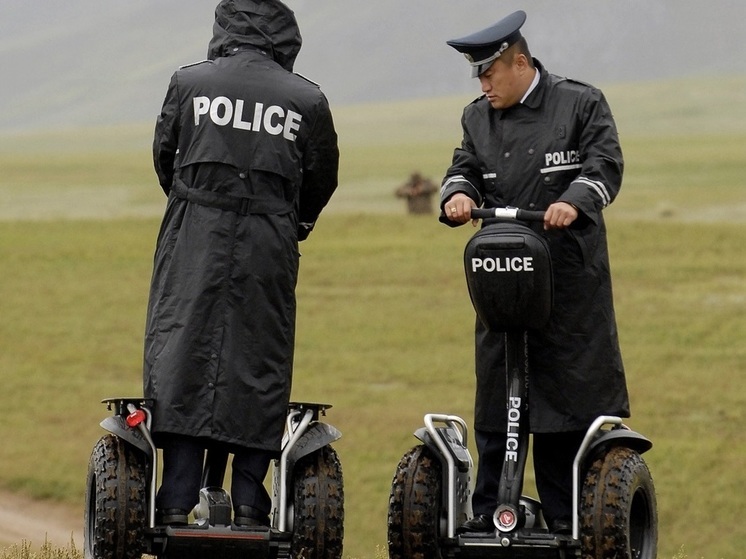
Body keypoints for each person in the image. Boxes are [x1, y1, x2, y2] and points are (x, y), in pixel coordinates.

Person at [144, 0, 339, 527]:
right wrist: (286, 222)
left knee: (183, 351)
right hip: (269, 243)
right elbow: (320, 180)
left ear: (223, 27)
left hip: (194, 239)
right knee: (259, 359)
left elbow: (166, 156)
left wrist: (196, 204)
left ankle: (174, 501)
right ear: (285, 36)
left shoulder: (189, 84)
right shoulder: (306, 98)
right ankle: (252, 502)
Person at [439, 10, 629, 535]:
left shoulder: (580, 103)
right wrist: (457, 193)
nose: (482, 84)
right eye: (477, 75)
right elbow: (465, 166)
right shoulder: (478, 117)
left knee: (563, 407)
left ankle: (569, 523)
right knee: (497, 398)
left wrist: (572, 201)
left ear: (519, 62)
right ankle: (486, 517)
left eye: (488, 73)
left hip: (567, 288)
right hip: (503, 286)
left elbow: (604, 165)